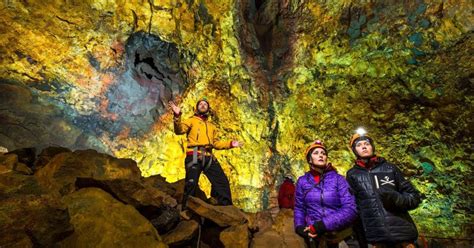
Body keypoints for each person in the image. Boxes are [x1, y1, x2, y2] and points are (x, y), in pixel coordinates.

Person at [346, 128, 421, 248]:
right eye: (359, 145)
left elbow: (415, 197)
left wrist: (397, 199)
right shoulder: (352, 174)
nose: (364, 147)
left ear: (372, 147)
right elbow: (355, 207)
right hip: (377, 238)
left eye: (367, 144)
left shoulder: (389, 168)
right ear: (355, 150)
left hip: (403, 235)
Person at [169, 98, 243, 210]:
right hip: (194, 154)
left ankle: (227, 210)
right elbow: (179, 130)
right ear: (196, 108)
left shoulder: (211, 126)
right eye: (201, 104)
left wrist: (231, 143)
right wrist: (177, 115)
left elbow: (216, 144)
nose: (203, 105)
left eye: (205, 104)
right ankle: (186, 210)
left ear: (208, 109)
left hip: (208, 156)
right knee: (191, 183)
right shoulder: (191, 121)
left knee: (222, 182)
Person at [294, 140, 357, 248]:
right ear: (309, 159)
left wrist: (323, 224)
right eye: (316, 153)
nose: (321, 155)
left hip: (338, 234)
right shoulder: (302, 181)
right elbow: (299, 207)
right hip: (314, 236)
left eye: (323, 153)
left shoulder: (338, 179)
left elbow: (350, 209)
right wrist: (299, 226)